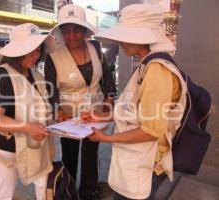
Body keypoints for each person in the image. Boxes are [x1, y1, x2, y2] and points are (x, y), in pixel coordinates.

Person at [83, 4, 188, 200]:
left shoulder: (157, 70)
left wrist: (105, 139)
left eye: (126, 36)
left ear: (143, 37)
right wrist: (100, 116)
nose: (120, 42)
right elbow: (132, 111)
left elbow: (150, 130)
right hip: (134, 161)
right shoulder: (146, 64)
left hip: (145, 166)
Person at [44, 4, 116, 200]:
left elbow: (107, 78)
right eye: (66, 31)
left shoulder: (95, 48)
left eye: (76, 30)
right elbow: (50, 89)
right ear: (61, 33)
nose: (72, 36)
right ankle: (69, 190)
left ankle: (89, 192)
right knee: (69, 155)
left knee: (91, 153)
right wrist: (58, 110)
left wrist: (109, 101)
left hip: (94, 113)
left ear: (85, 31)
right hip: (69, 116)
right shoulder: (53, 56)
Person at [0, 23, 55, 200]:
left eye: (38, 50)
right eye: (30, 50)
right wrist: (28, 127)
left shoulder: (37, 76)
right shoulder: (2, 76)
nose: (35, 55)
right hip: (6, 150)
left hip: (35, 146)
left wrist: (60, 120)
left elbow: (43, 109)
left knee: (42, 188)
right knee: (3, 194)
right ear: (16, 50)